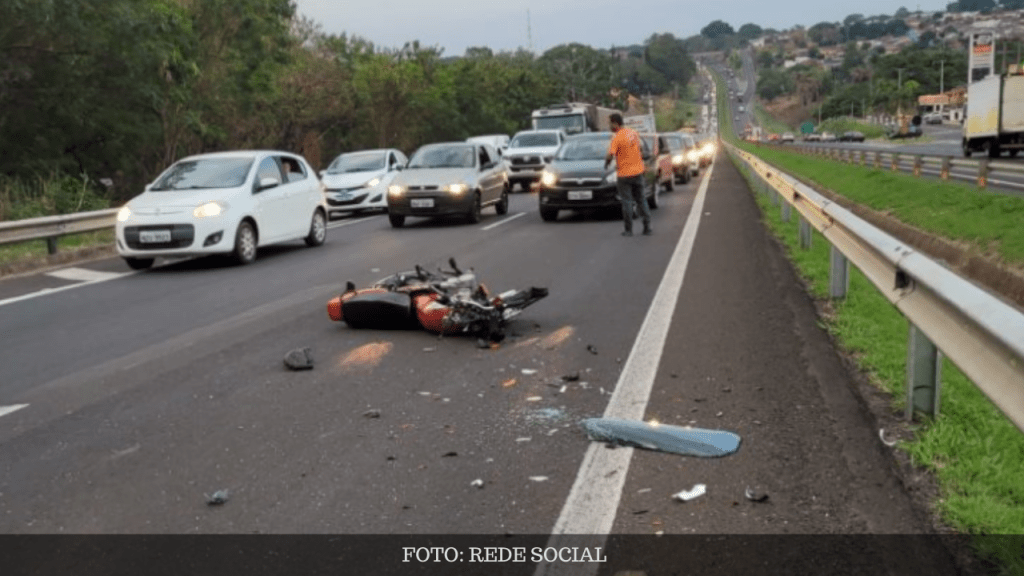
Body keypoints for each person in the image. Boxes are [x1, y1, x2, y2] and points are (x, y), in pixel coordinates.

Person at [604, 113, 651, 236]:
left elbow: (610, 154)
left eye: (610, 123)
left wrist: (606, 163)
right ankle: (647, 227)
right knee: (641, 200)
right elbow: (641, 149)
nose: (609, 126)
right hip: (638, 172)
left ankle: (628, 230)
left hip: (624, 174)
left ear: (615, 123)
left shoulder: (617, 137)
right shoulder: (634, 133)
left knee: (627, 202)